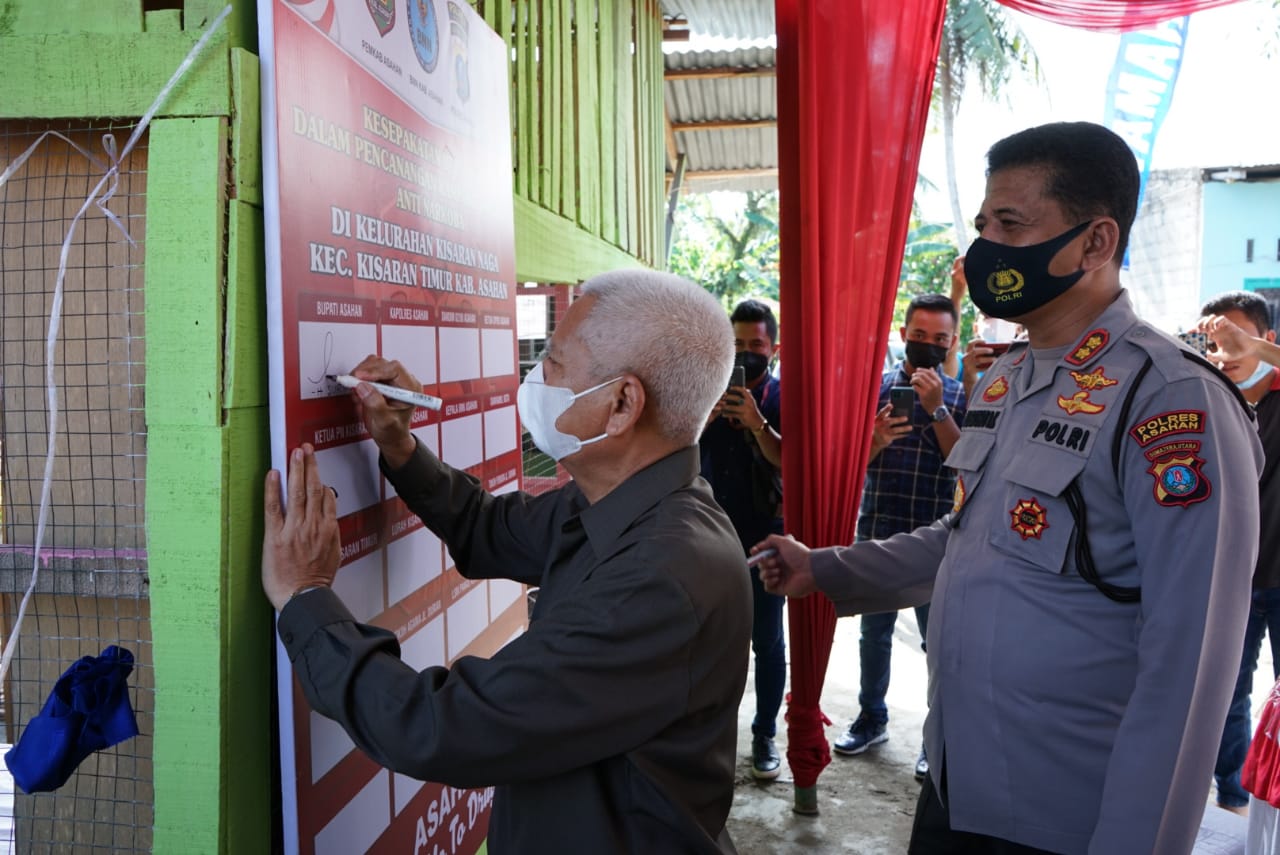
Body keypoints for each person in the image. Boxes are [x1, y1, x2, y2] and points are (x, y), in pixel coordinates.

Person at [754, 121, 1263, 854]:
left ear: (1095, 242)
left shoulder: (1172, 398)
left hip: (1069, 815)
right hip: (958, 784)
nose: (983, 248)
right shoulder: (1003, 380)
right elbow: (968, 539)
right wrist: (824, 567)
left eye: (1011, 224)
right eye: (982, 224)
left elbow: (1191, 661)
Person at [261, 270, 753, 854]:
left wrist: (306, 598)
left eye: (552, 362)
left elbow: (444, 728)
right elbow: (489, 529)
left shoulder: (661, 578)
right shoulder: (627, 500)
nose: (534, 378)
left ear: (621, 404)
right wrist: (399, 445)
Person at [831, 292, 965, 787]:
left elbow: (968, 464)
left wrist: (936, 410)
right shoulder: (873, 389)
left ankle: (936, 741)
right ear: (903, 333)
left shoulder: (961, 394)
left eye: (939, 339)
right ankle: (871, 719)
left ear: (951, 342)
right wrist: (876, 439)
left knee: (939, 643)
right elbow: (847, 468)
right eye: (918, 336)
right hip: (879, 532)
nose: (927, 346)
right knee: (873, 636)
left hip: (937, 541)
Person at [1198, 292, 1280, 817]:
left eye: (1237, 337)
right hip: (1232, 578)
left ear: (1266, 339)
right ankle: (1233, 799)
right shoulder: (1205, 397)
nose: (1225, 349)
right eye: (1216, 338)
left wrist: (1254, 351)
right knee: (1226, 691)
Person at [699, 299, 785, 780]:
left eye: (756, 345)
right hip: (707, 534)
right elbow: (676, 452)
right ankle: (711, 738)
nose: (746, 354)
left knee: (767, 642)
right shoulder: (702, 392)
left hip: (765, 539)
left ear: (773, 348)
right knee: (708, 641)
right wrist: (702, 420)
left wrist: (759, 424)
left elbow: (789, 462)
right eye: (738, 345)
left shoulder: (782, 397)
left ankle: (765, 733)